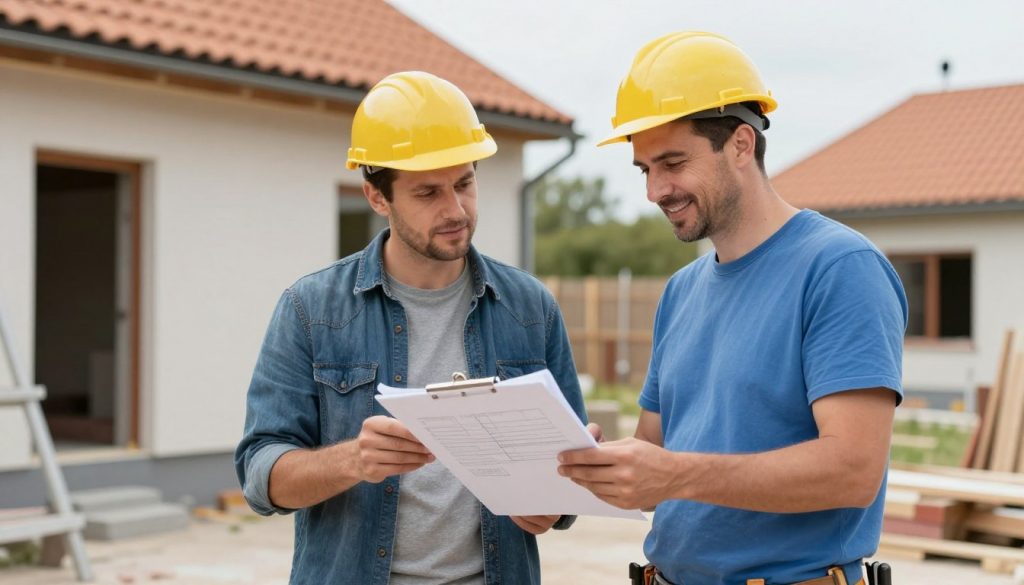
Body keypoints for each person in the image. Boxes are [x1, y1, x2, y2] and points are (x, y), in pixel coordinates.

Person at [558, 32, 907, 585]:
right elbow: (656, 448)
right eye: (644, 168)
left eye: (672, 162)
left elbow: (852, 471)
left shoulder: (839, 269)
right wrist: (596, 465)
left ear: (741, 145)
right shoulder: (681, 291)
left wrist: (672, 474)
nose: (655, 190)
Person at [235, 71, 585, 585]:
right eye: (427, 193)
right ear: (378, 197)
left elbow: (568, 479)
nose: (455, 210)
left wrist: (556, 501)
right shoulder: (310, 309)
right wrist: (353, 460)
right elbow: (261, 476)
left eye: (464, 183)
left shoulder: (530, 307)